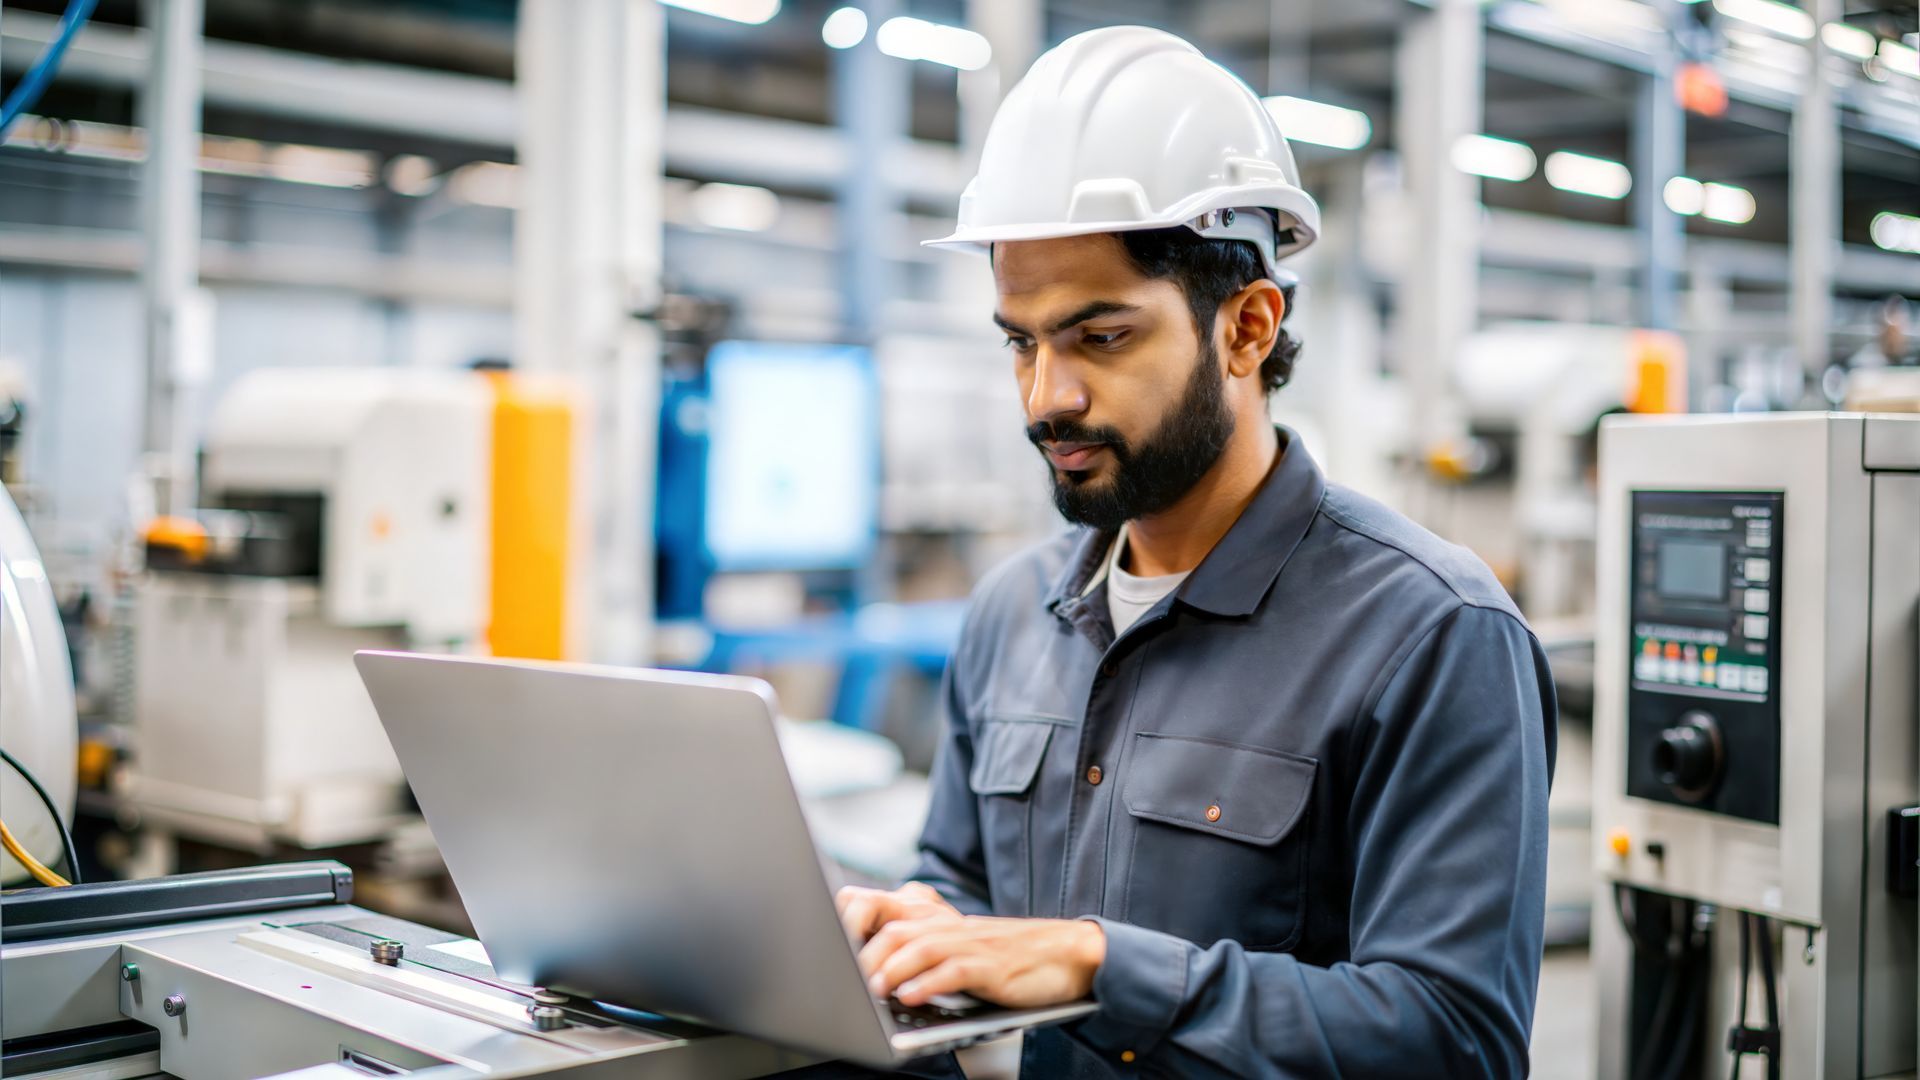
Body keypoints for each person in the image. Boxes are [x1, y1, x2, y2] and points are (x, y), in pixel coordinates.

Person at [831, 26, 1556, 1078]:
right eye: (1021, 342)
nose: (1048, 397)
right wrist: (904, 940)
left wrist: (1097, 965)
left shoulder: (1432, 634)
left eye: (1101, 337)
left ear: (1248, 328)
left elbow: (1454, 1038)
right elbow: (963, 889)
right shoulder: (1009, 613)